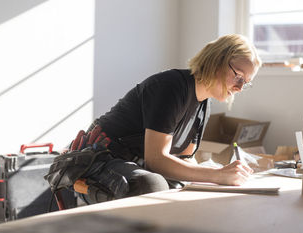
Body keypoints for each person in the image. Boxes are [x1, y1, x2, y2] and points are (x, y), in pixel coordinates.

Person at [46, 34, 262, 204]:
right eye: (238, 76)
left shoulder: (204, 103)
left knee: (186, 187)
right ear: (217, 61)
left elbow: (185, 159)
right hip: (97, 160)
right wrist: (216, 176)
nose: (240, 87)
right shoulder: (172, 86)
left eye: (247, 82)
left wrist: (217, 171)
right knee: (151, 184)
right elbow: (156, 160)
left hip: (134, 164)